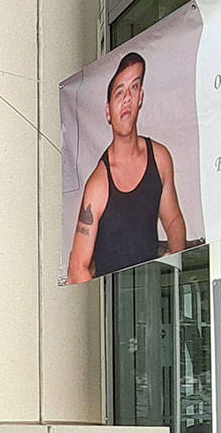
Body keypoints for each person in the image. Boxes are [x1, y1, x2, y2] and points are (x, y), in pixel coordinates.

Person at [68, 52, 187, 283]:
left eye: (134, 88)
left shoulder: (160, 158)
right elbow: (77, 267)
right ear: (107, 111)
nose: (127, 99)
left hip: (153, 292)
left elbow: (173, 220)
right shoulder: (98, 185)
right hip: (117, 306)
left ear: (141, 96)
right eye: (119, 92)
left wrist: (177, 260)